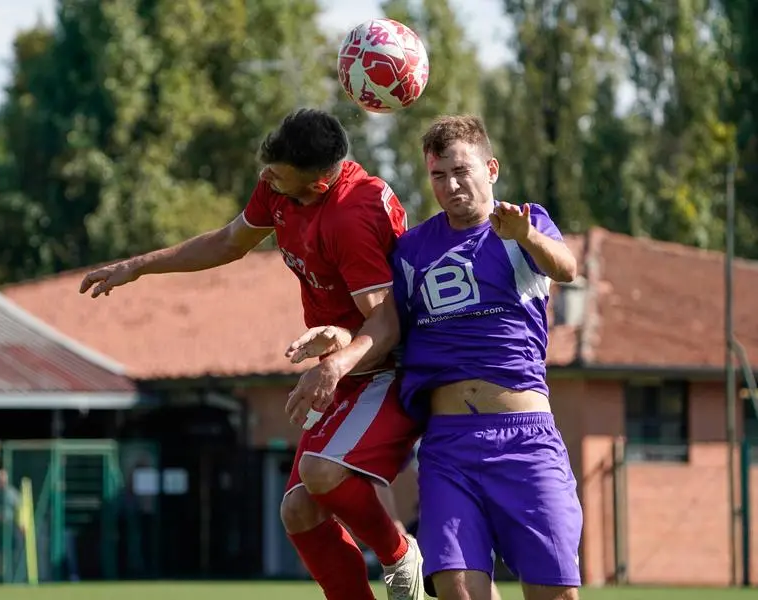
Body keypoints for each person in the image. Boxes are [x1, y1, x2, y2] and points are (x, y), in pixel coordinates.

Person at [79, 108, 424, 600]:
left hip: (387, 371)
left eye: (279, 176)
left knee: (321, 472)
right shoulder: (280, 186)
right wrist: (138, 266)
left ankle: (399, 556)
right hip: (346, 367)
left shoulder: (351, 214)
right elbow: (228, 241)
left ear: (318, 186)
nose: (267, 181)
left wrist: (335, 360)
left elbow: (388, 325)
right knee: (297, 511)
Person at [285, 114, 582, 600]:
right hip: (448, 446)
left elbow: (566, 268)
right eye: (438, 175)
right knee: (457, 591)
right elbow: (386, 329)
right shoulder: (412, 249)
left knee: (556, 594)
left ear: (491, 168)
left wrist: (525, 235)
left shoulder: (525, 223)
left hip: (525, 443)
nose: (451, 185)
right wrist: (338, 340)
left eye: (462, 171)